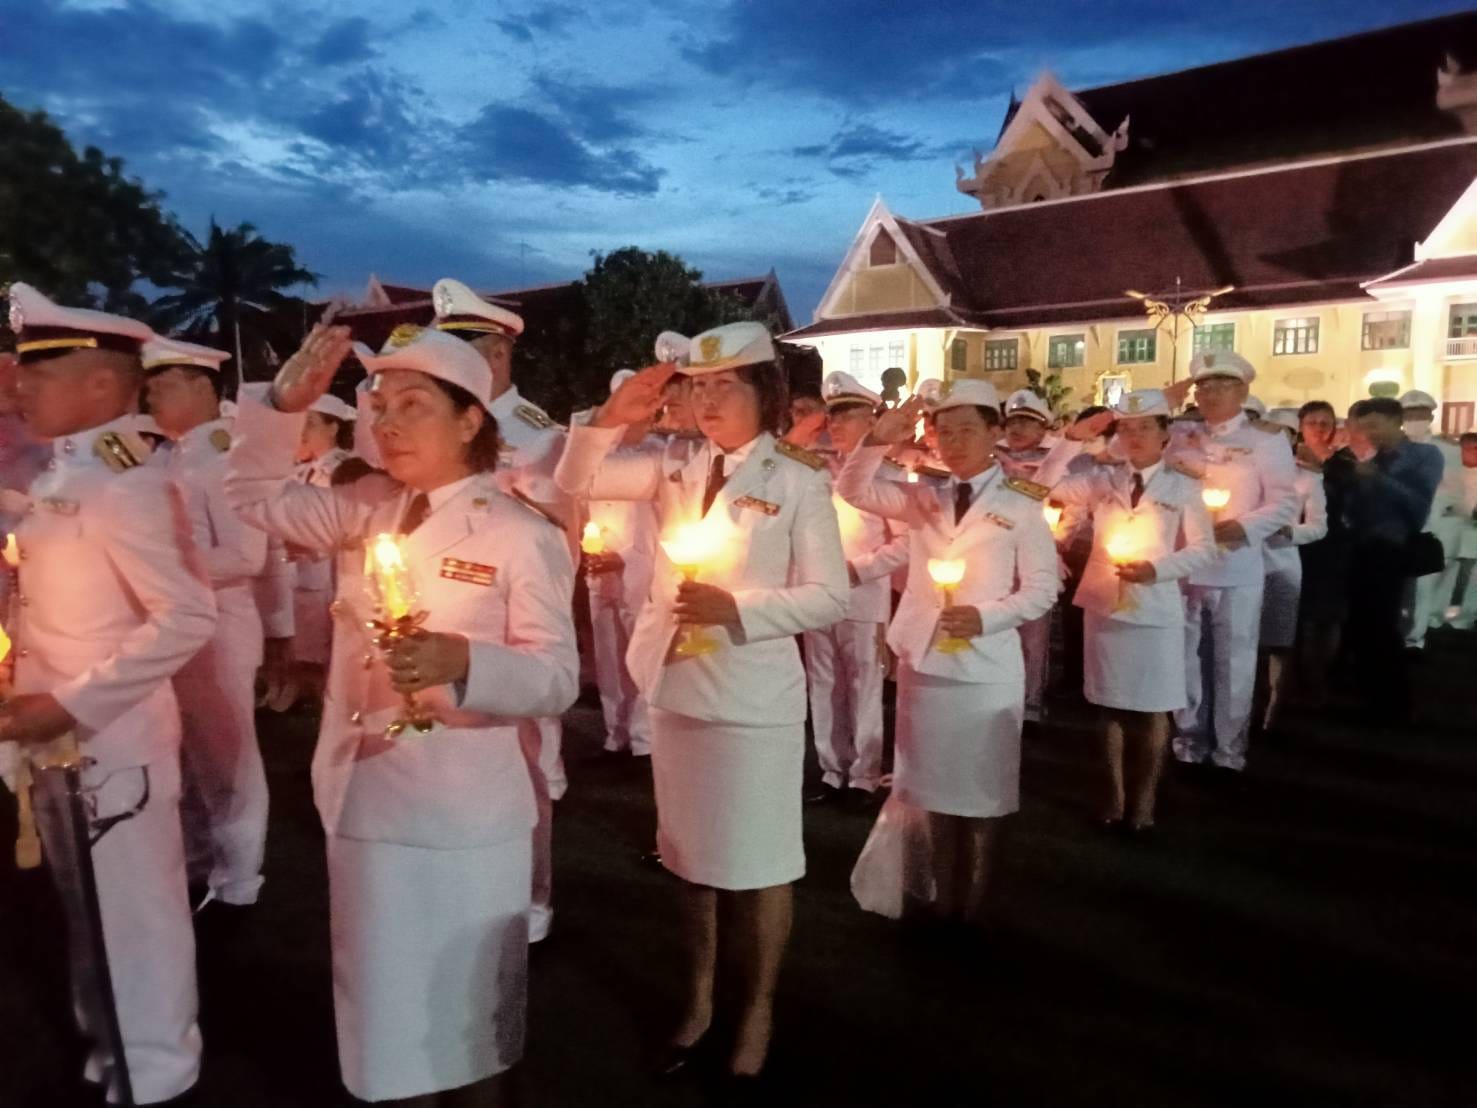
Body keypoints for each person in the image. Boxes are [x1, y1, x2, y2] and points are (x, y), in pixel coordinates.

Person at [226, 322, 577, 1106]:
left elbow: (557, 679)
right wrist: (282, 406)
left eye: (412, 406)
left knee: (468, 1031)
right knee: (383, 1024)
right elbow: (248, 497)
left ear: (470, 420)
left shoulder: (519, 533)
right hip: (365, 801)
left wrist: (467, 664)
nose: (385, 423)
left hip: (463, 823)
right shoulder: (370, 509)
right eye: (378, 406)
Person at [554, 322, 847, 1082]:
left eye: (726, 385)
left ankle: (755, 1010)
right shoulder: (672, 463)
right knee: (690, 860)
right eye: (699, 386)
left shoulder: (798, 478)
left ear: (764, 393)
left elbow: (828, 595)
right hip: (678, 688)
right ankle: (699, 1000)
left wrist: (742, 611)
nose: (709, 400)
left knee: (759, 866)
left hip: (752, 700)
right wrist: (612, 415)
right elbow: (573, 480)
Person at [3, 283, 217, 1105]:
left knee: (136, 927)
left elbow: (186, 615)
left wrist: (73, 704)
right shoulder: (76, 475)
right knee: (88, 925)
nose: (21, 387)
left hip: (109, 746)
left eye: (37, 373)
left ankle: (157, 1076)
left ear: (100, 386)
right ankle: (113, 1061)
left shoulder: (127, 484)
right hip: (58, 740)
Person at [836, 380, 1059, 926]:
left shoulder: (1021, 504)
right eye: (944, 430)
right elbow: (853, 489)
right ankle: (936, 900)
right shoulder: (922, 494)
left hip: (985, 668)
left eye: (968, 429)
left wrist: (987, 616)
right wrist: (877, 440)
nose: (954, 441)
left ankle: (972, 911)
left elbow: (1043, 587)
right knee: (930, 791)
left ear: (995, 435)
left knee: (982, 799)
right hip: (927, 664)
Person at [433, 277, 565, 943]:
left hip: (511, 614)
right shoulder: (437, 416)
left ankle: (532, 899)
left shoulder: (537, 433)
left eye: (462, 352)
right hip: (440, 606)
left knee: (525, 765)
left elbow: (562, 521)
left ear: (497, 355)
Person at [143, 334, 274, 913]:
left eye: (163, 385)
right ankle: (200, 864)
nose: (151, 396)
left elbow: (248, 556)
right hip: (176, 625)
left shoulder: (224, 457)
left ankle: (239, 880)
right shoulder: (167, 455)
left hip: (220, 624)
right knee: (187, 751)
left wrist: (164, 573)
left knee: (229, 756)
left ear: (201, 387)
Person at [1047, 390, 1217, 830]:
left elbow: (1203, 549)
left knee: (1154, 707)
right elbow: (1040, 488)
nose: (1134, 435)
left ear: (1165, 434)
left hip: (1156, 607)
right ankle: (1116, 798)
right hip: (1105, 606)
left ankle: (1145, 801)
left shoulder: (1184, 484)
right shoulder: (1102, 479)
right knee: (1110, 704)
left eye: (1145, 427)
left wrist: (1158, 569)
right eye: (1126, 427)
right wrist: (1069, 439)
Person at [1165, 352, 1298, 772]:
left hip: (1236, 565)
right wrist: (1163, 398)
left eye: (1221, 385)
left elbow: (1283, 501)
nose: (1210, 394)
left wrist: (1242, 527)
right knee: (1186, 657)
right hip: (1186, 565)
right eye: (1203, 386)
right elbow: (1123, 437)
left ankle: (1229, 750)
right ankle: (1189, 739)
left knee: (1234, 661)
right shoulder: (1180, 434)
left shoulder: (1266, 439)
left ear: (1243, 391)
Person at [802, 371, 910, 806]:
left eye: (850, 413)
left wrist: (860, 569)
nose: (838, 423)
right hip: (815, 592)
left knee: (864, 684)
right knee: (823, 683)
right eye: (834, 414)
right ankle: (831, 770)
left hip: (862, 596)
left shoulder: (888, 474)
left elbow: (907, 541)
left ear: (872, 420)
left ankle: (864, 774)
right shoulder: (816, 471)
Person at [1341, 397, 1443, 722]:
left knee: (1384, 625)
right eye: (1364, 426)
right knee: (1361, 624)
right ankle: (1368, 694)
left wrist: (1376, 478)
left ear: (1395, 421)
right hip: (1360, 547)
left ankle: (1394, 703)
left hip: (1393, 548)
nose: (1369, 432)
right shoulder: (1371, 457)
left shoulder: (1424, 455)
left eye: (1374, 425)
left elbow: (1419, 503)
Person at [582, 370, 661, 757]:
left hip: (641, 569)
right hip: (600, 568)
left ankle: (644, 740)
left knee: (640, 653)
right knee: (608, 655)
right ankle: (616, 733)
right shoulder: (594, 456)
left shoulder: (659, 453)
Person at [1256, 409, 1327, 732]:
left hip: (1283, 561)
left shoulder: (1308, 478)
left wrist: (1292, 533)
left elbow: (1318, 526)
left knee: (1278, 642)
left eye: (1283, 435)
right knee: (1242, 639)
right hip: (1244, 560)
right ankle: (1244, 705)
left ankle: (1273, 708)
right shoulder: (1246, 473)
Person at [288, 393, 358, 695]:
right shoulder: (304, 470)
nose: (302, 429)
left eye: (311, 422)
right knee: (307, 646)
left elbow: (348, 525)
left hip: (330, 572)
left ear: (333, 427)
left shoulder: (346, 469)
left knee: (329, 647)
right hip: (304, 572)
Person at [1400, 390, 1462, 648]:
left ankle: (1415, 639)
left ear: (1431, 415)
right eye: (1409, 414)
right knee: (1398, 589)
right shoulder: (1392, 447)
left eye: (1420, 414)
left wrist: (1429, 506)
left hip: (1428, 528)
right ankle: (1396, 635)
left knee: (1423, 588)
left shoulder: (1447, 450)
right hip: (1395, 527)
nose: (1415, 419)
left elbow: (1454, 491)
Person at [1445, 431, 1477, 629]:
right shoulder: (1449, 472)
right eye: (1471, 449)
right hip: (1448, 531)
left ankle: (1462, 614)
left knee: (1467, 574)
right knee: (1446, 574)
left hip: (1472, 534)